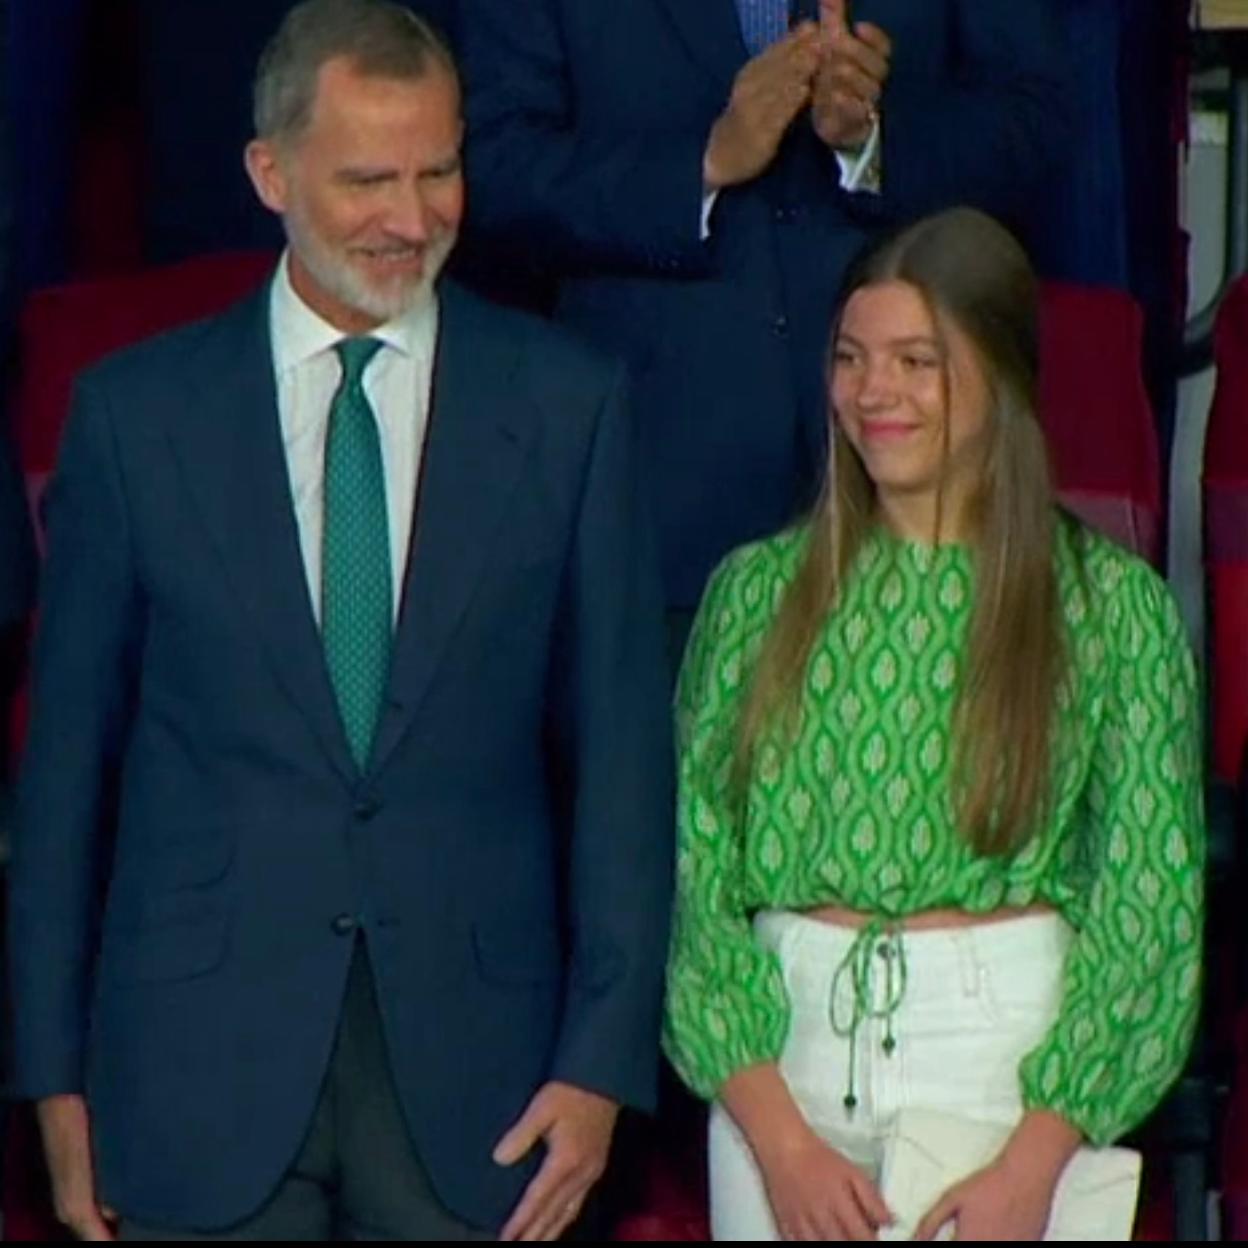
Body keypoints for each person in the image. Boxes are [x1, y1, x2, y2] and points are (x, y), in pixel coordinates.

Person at [9, 1, 673, 1240]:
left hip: (484, 1093)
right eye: (368, 179)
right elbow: (63, 789)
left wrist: (600, 1063)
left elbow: (625, 767)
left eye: (439, 172)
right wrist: (50, 1080)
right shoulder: (133, 417)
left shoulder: (571, 408)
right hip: (190, 1083)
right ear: (269, 173)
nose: (411, 219)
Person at [663, 207, 1204, 1241]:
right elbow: (691, 880)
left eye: (919, 361)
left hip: (1004, 1075)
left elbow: (1149, 905)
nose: (877, 393)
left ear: (999, 377)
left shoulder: (1107, 610)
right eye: (853, 358)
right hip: (786, 1069)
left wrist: (1037, 1160)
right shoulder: (757, 594)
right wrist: (781, 1145)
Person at [460, 0, 1072, 658]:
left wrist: (869, 145)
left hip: (918, 483)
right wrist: (702, 165)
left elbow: (1032, 114)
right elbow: (495, 164)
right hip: (665, 487)